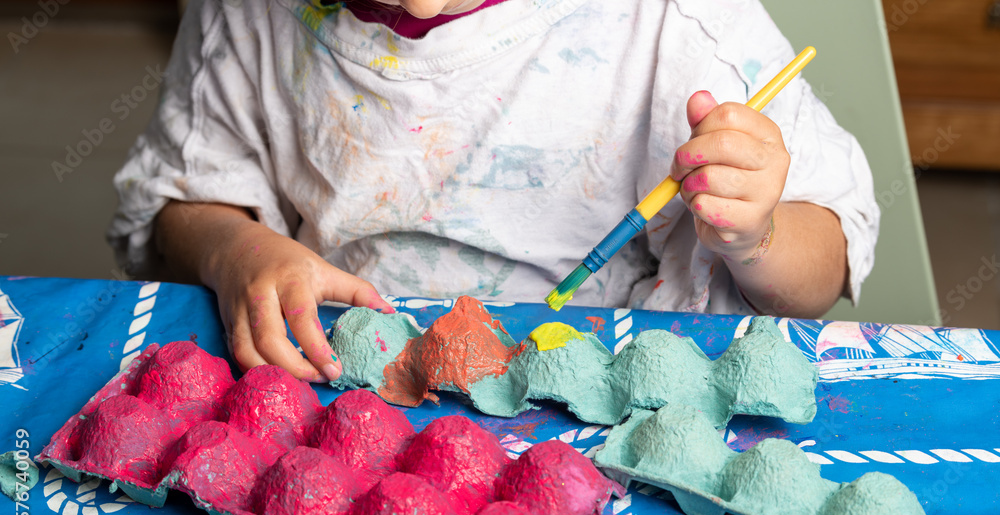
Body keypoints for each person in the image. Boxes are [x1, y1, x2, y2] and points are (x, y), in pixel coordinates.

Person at [109, 0, 879, 384]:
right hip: (339, 386)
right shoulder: (247, 16)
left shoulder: (680, 22)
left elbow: (826, 257)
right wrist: (233, 247)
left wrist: (760, 235)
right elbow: (176, 202)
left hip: (611, 395)